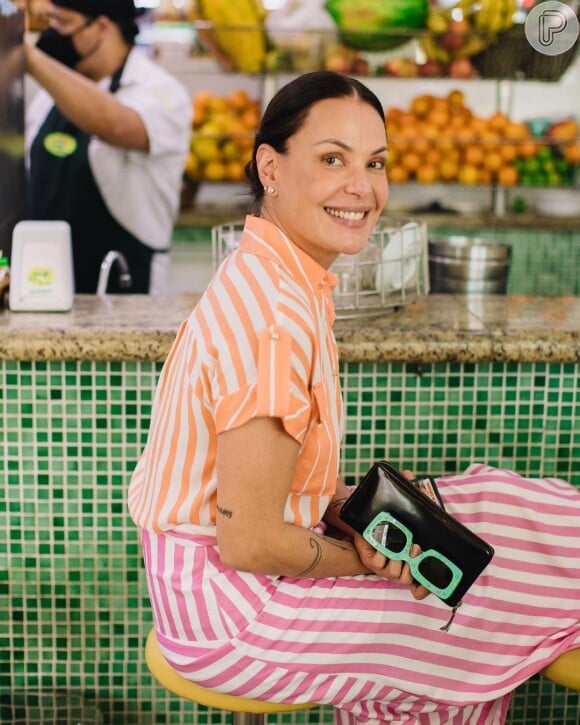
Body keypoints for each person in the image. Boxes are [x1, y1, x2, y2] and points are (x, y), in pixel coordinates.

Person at [128, 71, 580, 724]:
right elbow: (249, 541)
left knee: (488, 499)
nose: (362, 188)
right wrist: (363, 563)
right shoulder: (274, 316)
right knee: (450, 618)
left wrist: (354, 512)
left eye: (375, 163)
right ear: (271, 167)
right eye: (332, 159)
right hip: (227, 611)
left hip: (247, 571)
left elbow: (275, 491)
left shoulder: (286, 274)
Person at [24, 0, 191, 294]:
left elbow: (117, 125)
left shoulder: (161, 91)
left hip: (126, 285)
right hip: (47, 283)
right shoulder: (49, 97)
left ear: (101, 27)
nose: (53, 35)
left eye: (62, 24)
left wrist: (30, 59)